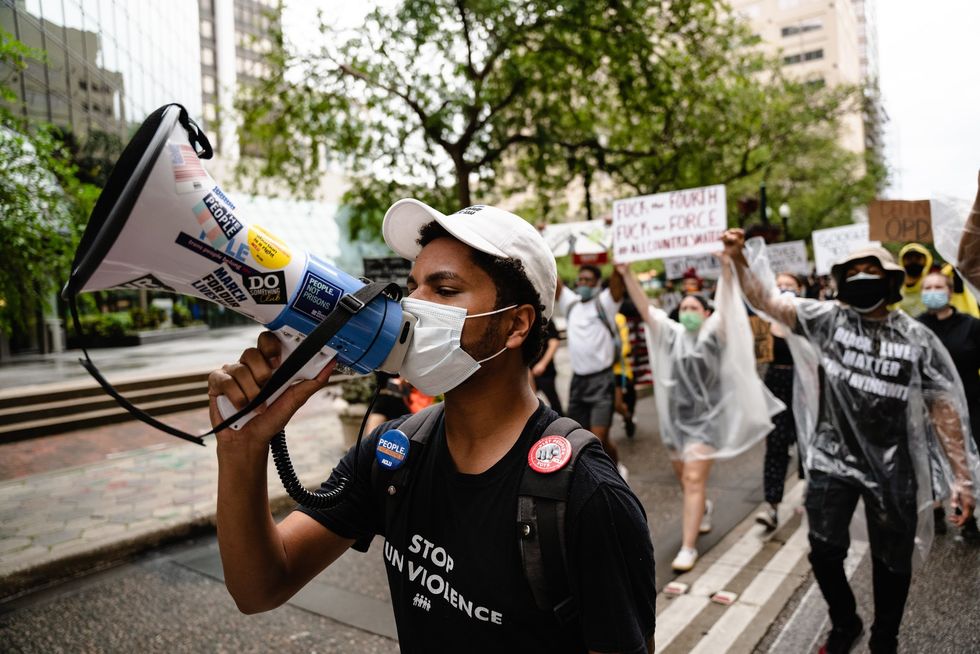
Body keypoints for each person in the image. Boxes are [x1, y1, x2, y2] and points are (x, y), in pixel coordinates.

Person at [209, 200, 657, 653]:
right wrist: (241, 448)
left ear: (516, 324)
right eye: (412, 287)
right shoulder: (393, 452)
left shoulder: (589, 496)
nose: (411, 306)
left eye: (444, 291)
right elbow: (259, 587)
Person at [723, 228, 978, 654]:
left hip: (894, 467)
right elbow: (766, 301)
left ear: (890, 279)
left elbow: (943, 405)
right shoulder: (827, 320)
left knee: (892, 562)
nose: (862, 276)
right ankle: (846, 624)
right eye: (853, 270)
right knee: (823, 550)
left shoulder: (915, 337)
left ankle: (885, 639)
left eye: (870, 269)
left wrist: (962, 477)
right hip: (831, 459)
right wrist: (738, 259)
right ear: (841, 280)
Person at [618, 258, 779, 573]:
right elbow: (646, 309)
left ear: (707, 314)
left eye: (695, 308)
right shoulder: (671, 335)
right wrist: (626, 274)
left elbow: (727, 304)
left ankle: (688, 546)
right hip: (675, 423)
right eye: (684, 308)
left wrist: (727, 268)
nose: (688, 312)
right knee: (684, 477)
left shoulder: (713, 335)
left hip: (706, 423)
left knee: (693, 479)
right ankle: (702, 508)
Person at [918, 271, 980, 542]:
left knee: (964, 459)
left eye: (938, 286)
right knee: (932, 458)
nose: (933, 291)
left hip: (969, 405)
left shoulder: (971, 326)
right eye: (928, 287)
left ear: (950, 291)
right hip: (928, 407)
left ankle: (966, 513)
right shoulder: (916, 327)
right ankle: (935, 507)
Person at [559, 264, 627, 476]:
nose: (583, 284)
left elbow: (617, 286)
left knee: (599, 438)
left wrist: (618, 266)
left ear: (597, 283)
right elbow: (555, 279)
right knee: (578, 437)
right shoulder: (570, 304)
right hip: (578, 382)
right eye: (581, 280)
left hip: (601, 381)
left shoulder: (604, 303)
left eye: (589, 280)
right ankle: (589, 478)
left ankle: (616, 471)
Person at [755, 272, 804, 531]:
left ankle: (810, 494)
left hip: (804, 389)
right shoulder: (763, 324)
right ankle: (772, 506)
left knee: (808, 443)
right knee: (775, 447)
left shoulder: (808, 322)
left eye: (790, 285)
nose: (785, 289)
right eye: (780, 285)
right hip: (775, 390)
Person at [529, 318, 563, 415]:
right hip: (527, 372)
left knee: (554, 403)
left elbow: (554, 342)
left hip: (544, 372)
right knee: (532, 405)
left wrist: (542, 364)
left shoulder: (544, 318)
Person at [612, 303, 637, 438]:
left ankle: (628, 418)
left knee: (618, 404)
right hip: (599, 372)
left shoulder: (619, 318)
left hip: (618, 370)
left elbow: (625, 346)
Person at [897, 243, 932, 317]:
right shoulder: (895, 287)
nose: (913, 261)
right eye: (909, 258)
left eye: (918, 258)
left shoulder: (934, 287)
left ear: (926, 261)